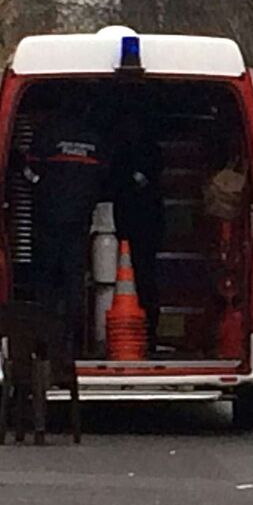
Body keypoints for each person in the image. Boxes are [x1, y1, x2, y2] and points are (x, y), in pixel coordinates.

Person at [27, 95, 108, 358]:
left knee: (45, 282)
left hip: (47, 218)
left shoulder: (47, 134)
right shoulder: (95, 139)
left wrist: (41, 185)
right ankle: (74, 346)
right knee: (75, 281)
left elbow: (28, 170)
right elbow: (104, 178)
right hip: (79, 221)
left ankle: (44, 347)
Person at [111, 113, 164, 349]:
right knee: (145, 278)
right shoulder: (150, 154)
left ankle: (145, 334)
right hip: (143, 228)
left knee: (139, 278)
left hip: (128, 227)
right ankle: (148, 335)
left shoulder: (123, 157)